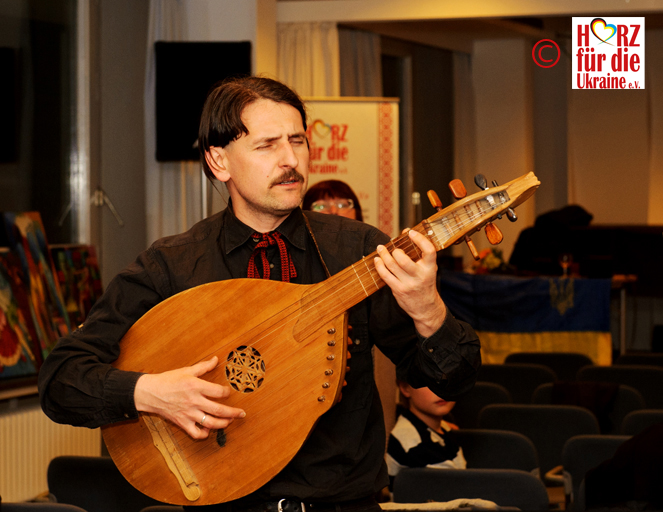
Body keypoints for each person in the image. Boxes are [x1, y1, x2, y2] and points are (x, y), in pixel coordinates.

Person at [38, 76, 481, 511]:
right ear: (219, 162)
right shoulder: (173, 265)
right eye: (267, 145)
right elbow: (60, 380)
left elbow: (452, 380)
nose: (290, 160)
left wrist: (429, 311)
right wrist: (150, 392)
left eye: (297, 141)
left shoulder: (357, 250)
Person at [386, 365, 466, 491]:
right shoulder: (415, 443)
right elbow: (455, 491)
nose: (441, 389)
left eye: (449, 379)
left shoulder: (441, 427)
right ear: (405, 388)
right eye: (428, 381)